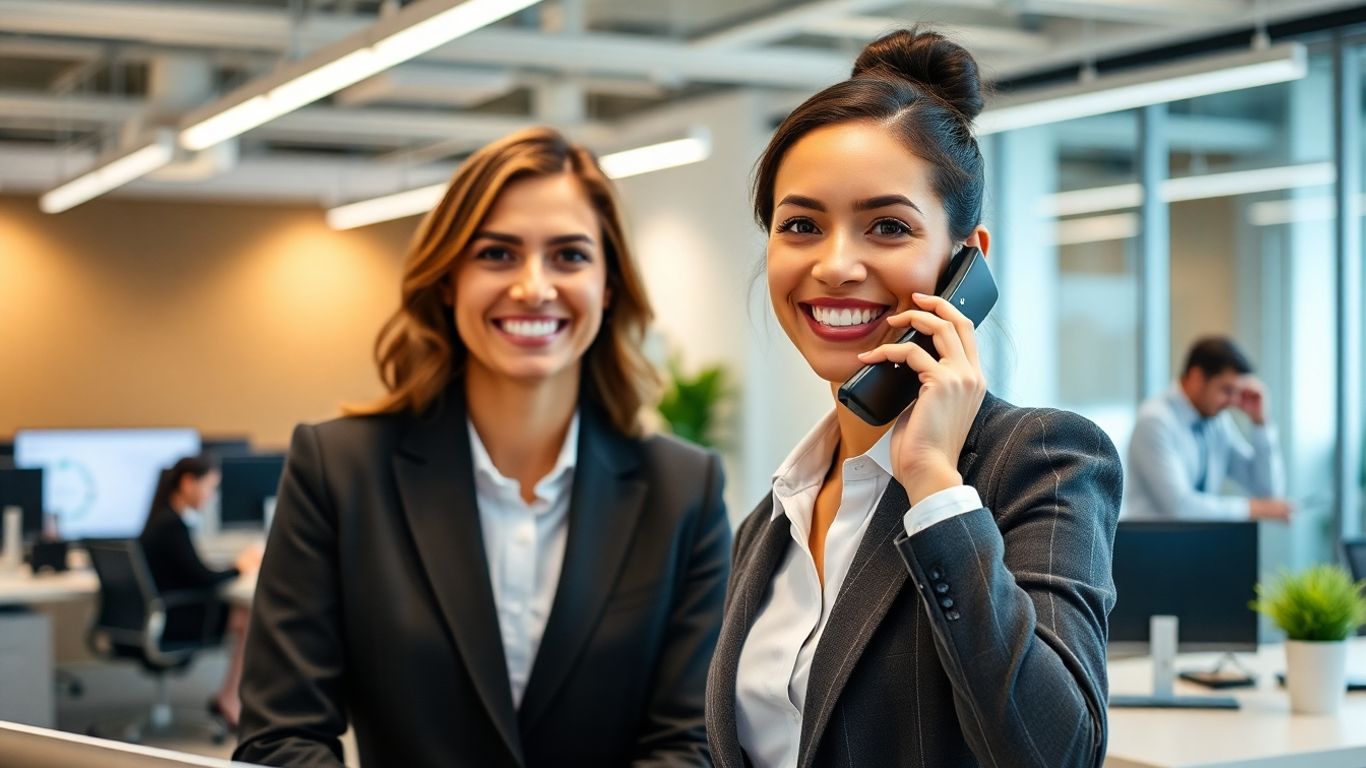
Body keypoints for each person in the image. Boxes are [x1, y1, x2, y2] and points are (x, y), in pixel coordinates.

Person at [234, 127, 731, 768]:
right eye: (497, 254)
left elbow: (686, 745)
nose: (533, 287)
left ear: (608, 286)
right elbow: (281, 736)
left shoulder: (683, 489)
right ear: (447, 281)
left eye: (569, 256)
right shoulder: (339, 470)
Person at [704, 29, 1122, 768]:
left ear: (968, 262)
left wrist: (932, 480)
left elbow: (1058, 753)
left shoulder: (1042, 461)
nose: (835, 265)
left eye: (888, 226)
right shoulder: (770, 521)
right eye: (801, 225)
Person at [139, 455, 260, 729]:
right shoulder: (171, 525)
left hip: (165, 611)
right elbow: (203, 578)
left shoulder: (162, 519)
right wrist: (239, 566)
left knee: (243, 614)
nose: (211, 496)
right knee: (249, 617)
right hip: (176, 617)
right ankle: (230, 699)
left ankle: (230, 697)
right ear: (188, 483)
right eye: (209, 487)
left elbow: (191, 570)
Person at [1126, 336, 1290, 521]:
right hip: (1152, 546)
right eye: (1227, 390)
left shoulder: (1217, 422)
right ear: (1197, 378)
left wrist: (1260, 423)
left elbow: (1267, 491)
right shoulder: (1155, 421)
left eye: (1238, 392)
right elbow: (1180, 507)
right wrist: (1252, 509)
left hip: (1199, 544)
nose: (1234, 401)